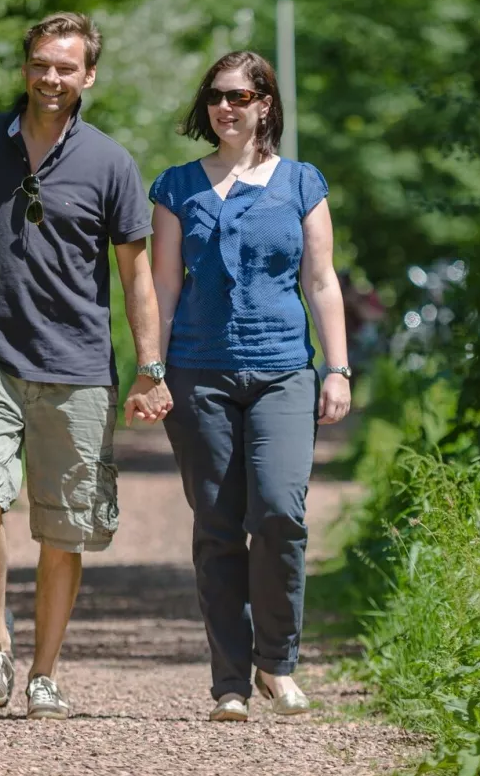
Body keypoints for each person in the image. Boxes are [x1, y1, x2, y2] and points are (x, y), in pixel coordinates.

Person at [0, 11, 172, 719]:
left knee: (65, 527)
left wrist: (151, 366)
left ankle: (45, 672)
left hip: (79, 366)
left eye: (66, 68)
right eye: (40, 65)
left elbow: (136, 277)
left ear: (88, 76)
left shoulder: (110, 162)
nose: (51, 78)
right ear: (25, 68)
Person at [148, 50, 351, 722]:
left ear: (266, 102)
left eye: (238, 95)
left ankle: (278, 663)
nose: (223, 107)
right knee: (217, 526)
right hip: (198, 374)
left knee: (279, 515)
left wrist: (339, 367)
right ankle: (231, 681)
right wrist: (152, 369)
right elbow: (164, 286)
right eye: (214, 96)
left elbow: (322, 281)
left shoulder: (301, 183)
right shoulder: (176, 187)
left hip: (284, 372)